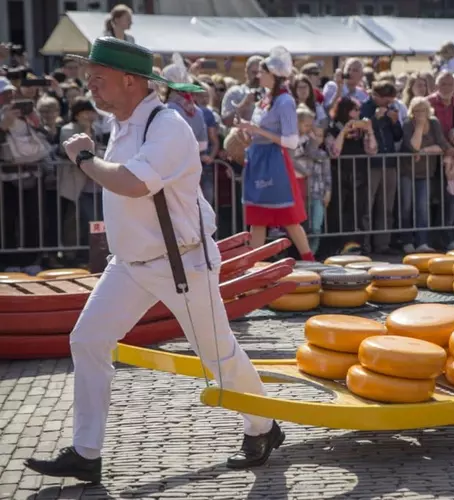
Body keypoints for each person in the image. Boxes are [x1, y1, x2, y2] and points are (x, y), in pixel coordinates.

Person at [23, 37, 284, 484]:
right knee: (87, 339)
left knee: (217, 356)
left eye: (99, 78)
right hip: (129, 264)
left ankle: (263, 426)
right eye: (89, 77)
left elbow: (131, 183)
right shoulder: (124, 123)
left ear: (131, 81)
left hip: (181, 262)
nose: (91, 86)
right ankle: (86, 452)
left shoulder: (167, 126)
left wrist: (84, 157)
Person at [235, 46, 314, 261]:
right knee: (258, 219)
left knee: (289, 218)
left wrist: (257, 130)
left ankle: (310, 262)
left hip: (275, 163)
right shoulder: (266, 99)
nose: (259, 76)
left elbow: (291, 141)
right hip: (259, 159)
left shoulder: (285, 101)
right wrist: (247, 131)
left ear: (273, 75)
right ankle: (251, 269)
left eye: (263, 72)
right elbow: (262, 132)